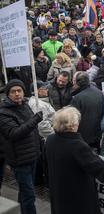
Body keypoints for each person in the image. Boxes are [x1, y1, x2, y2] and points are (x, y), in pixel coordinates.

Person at [46, 106, 104, 214]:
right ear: (73, 125)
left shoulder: (50, 139)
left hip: (59, 193)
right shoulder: (77, 146)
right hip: (77, 198)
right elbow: (101, 169)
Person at [0, 79, 43, 214]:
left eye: (19, 91)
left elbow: (32, 130)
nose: (17, 94)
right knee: (29, 194)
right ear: (8, 94)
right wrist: (35, 119)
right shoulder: (3, 113)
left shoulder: (25, 105)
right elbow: (14, 133)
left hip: (32, 155)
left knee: (26, 192)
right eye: (13, 91)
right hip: (20, 160)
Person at [70, 71, 104, 152]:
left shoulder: (77, 98)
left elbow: (73, 119)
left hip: (82, 137)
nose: (72, 82)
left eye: (73, 80)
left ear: (77, 82)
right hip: (97, 134)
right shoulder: (99, 92)